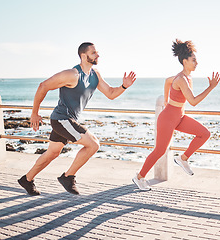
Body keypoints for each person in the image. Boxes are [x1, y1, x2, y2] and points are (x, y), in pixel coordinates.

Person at [18, 42, 136, 195]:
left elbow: (111, 94)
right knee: (93, 145)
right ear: (83, 56)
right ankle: (68, 177)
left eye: (97, 52)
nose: (97, 55)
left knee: (52, 153)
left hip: (67, 121)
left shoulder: (95, 74)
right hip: (62, 119)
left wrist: (124, 86)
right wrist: (34, 113)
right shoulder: (72, 74)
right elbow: (43, 86)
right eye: (93, 53)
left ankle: (27, 180)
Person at [132, 39, 220, 191]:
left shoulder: (185, 77)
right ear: (185, 61)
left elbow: (167, 81)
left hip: (178, 117)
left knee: (204, 134)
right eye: (194, 60)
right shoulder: (182, 79)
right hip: (167, 119)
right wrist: (211, 87)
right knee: (159, 151)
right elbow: (193, 101)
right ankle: (139, 177)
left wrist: (166, 99)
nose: (196, 63)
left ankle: (183, 158)